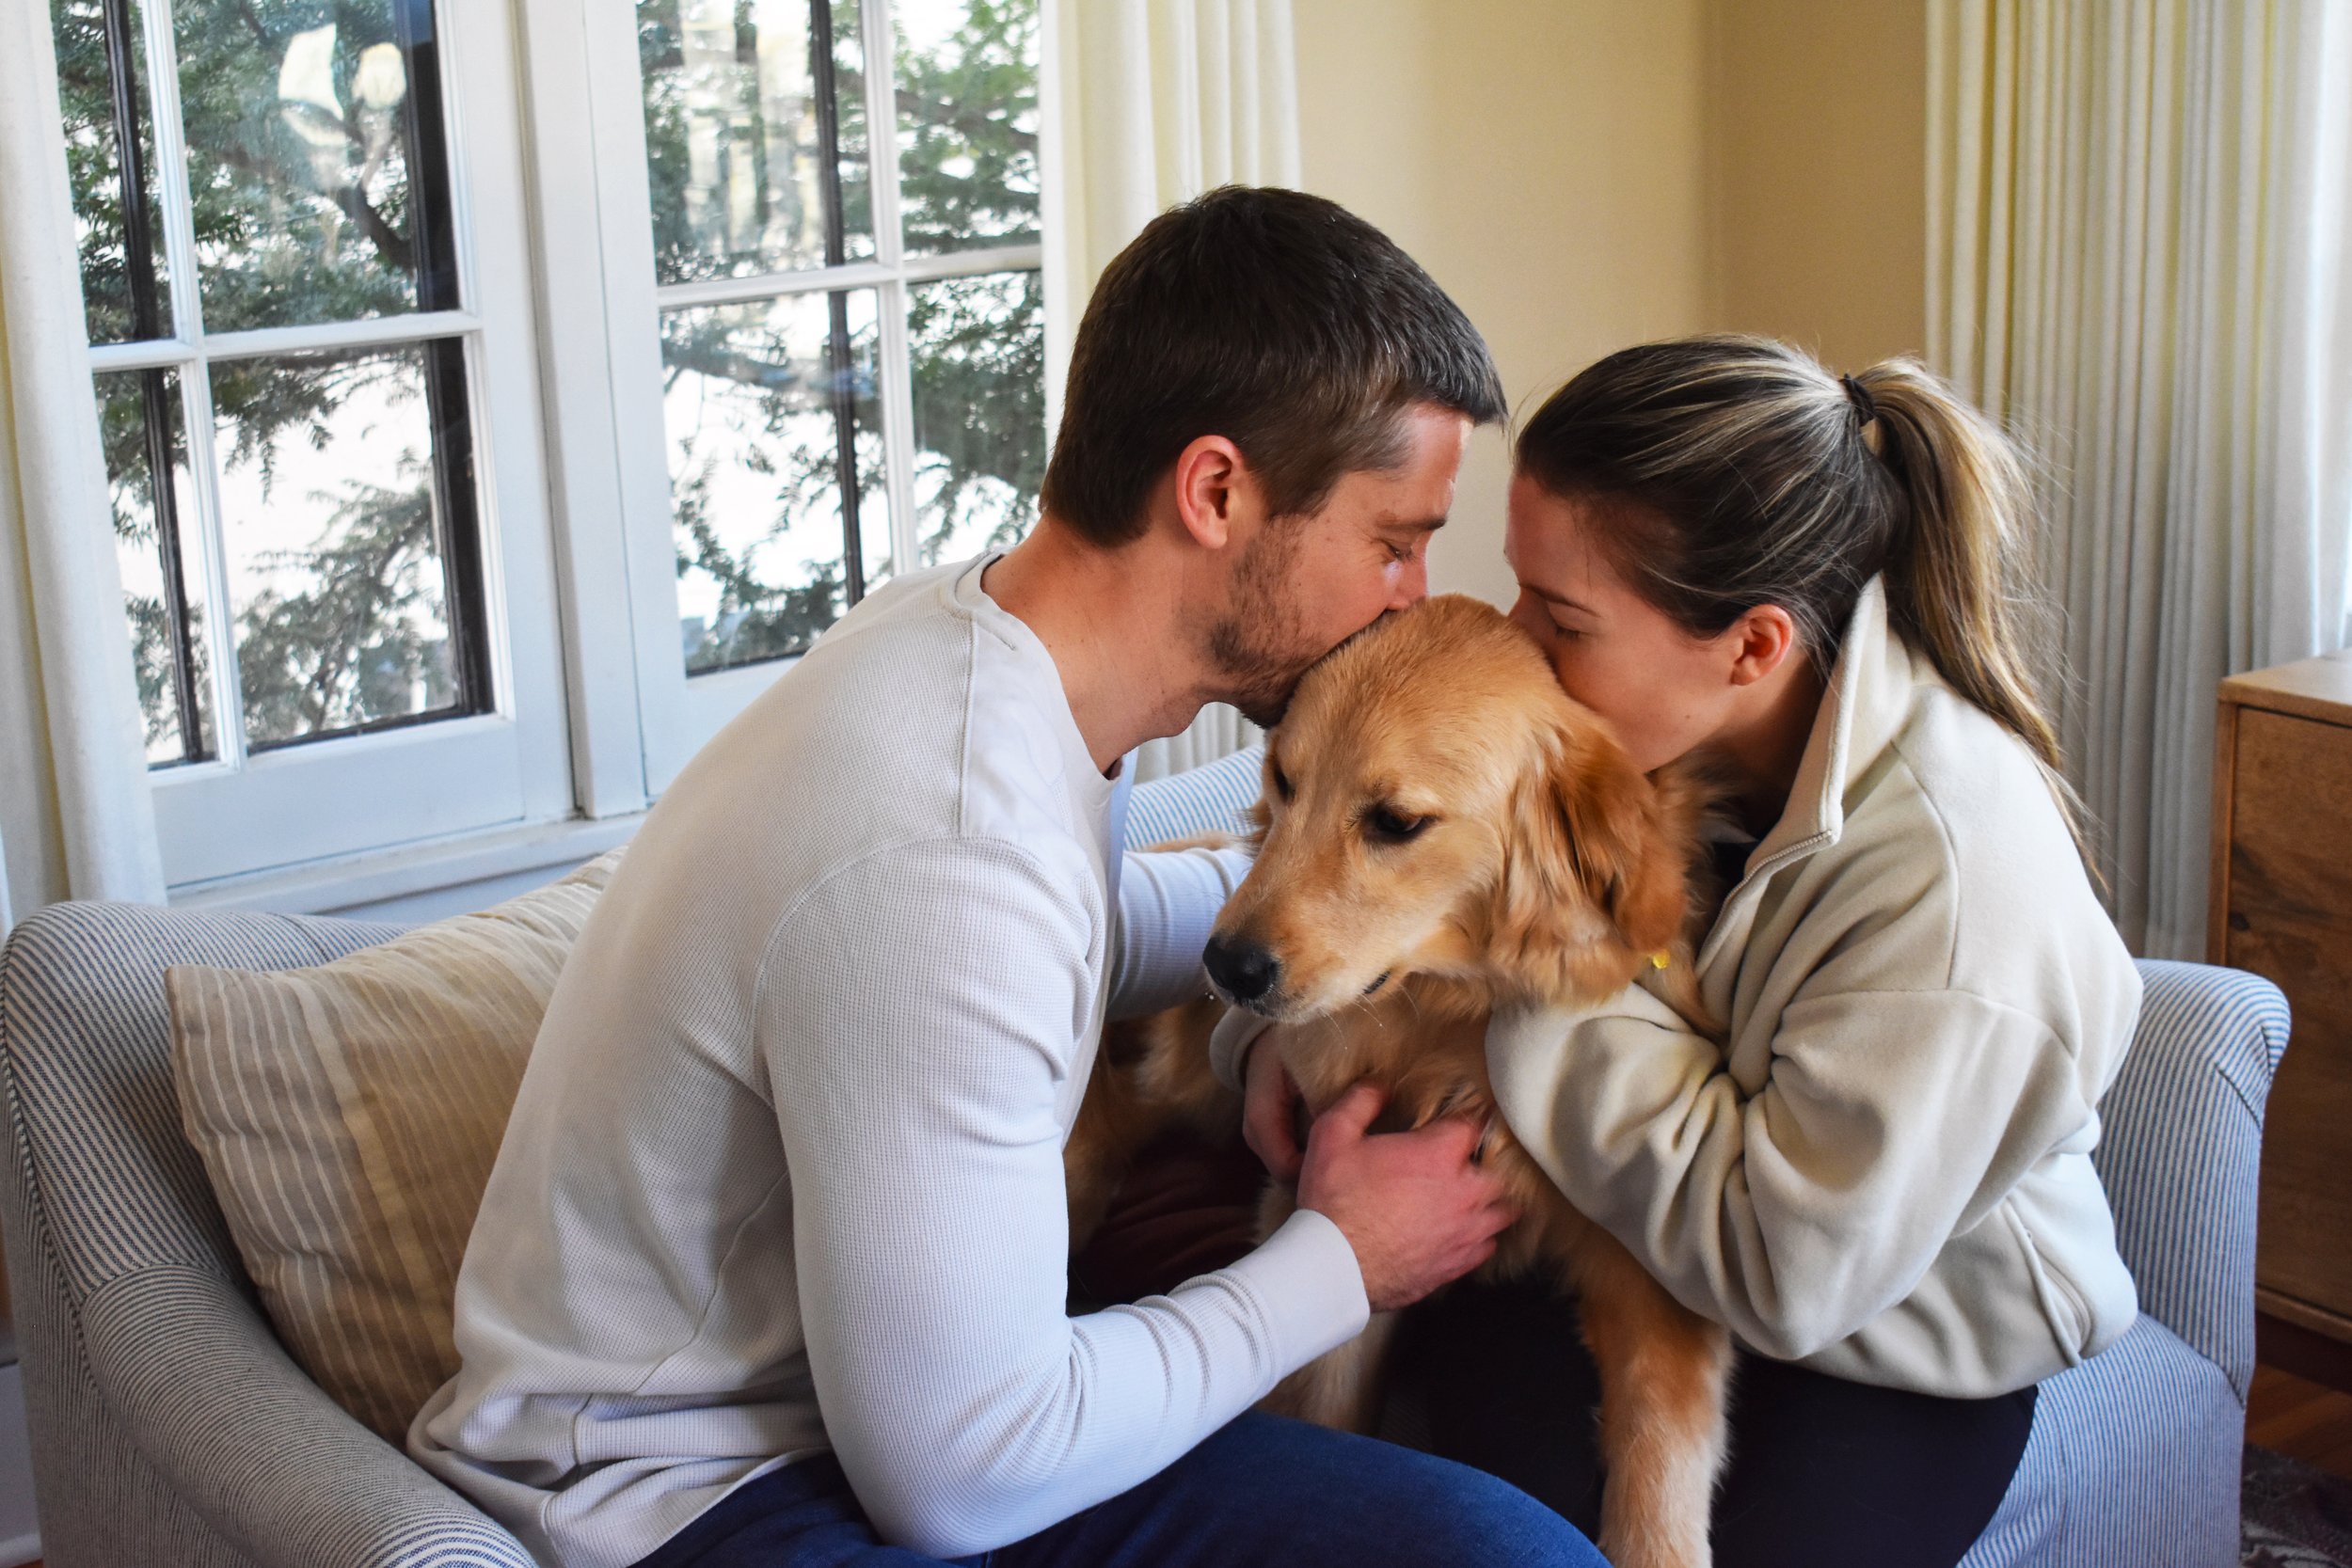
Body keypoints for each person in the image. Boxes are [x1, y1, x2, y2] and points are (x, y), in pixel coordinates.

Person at [407, 186, 1605, 1568]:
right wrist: (1346, 1257)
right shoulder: (945, 848)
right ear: (1217, 492)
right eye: (1392, 542)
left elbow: (1066, 919)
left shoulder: (974, 649)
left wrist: (1280, 981)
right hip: (692, 1498)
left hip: (822, 1429)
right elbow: (962, 1476)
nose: (1413, 600)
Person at [1235, 335, 2143, 1568]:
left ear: (1753, 646)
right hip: (1609, 1245)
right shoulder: (1667, 734)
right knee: (1487, 1540)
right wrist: (1286, 1044)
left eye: (1560, 616)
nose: (1514, 646)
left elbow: (1782, 1270)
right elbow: (1350, 925)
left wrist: (1549, 960)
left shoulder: (1958, 909)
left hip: (1883, 1335)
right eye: (1518, 589)